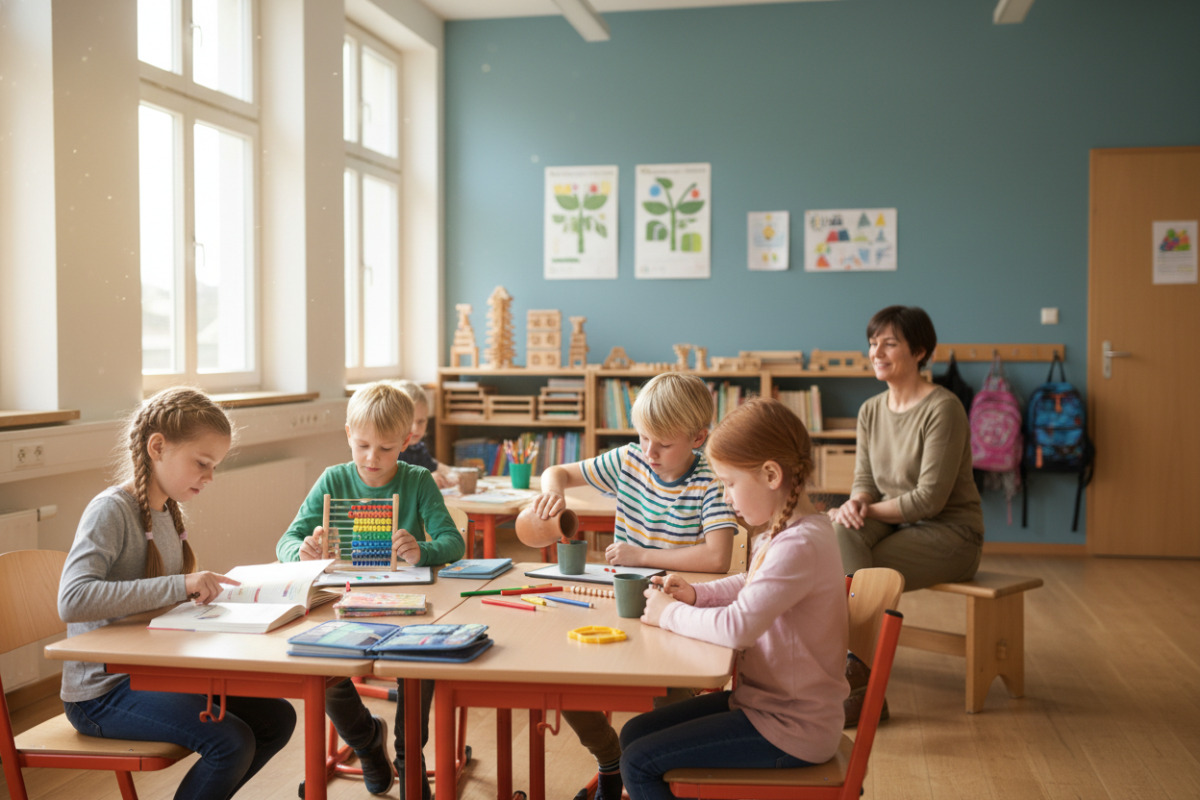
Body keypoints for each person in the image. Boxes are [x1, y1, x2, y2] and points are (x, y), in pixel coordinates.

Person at [57, 387, 296, 800]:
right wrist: (181, 585)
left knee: (277, 717)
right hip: (101, 693)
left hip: (152, 671)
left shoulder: (166, 512)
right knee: (231, 741)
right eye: (202, 463)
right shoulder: (111, 510)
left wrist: (202, 600)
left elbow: (154, 602)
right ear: (158, 447)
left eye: (215, 466)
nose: (210, 476)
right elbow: (73, 598)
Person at [619, 398, 848, 800]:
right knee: (635, 733)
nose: (726, 497)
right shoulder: (791, 530)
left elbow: (738, 628)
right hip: (767, 707)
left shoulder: (799, 544)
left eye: (730, 483)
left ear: (771, 475)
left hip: (790, 729)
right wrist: (695, 594)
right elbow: (750, 582)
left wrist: (670, 613)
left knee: (638, 762)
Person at [530, 372, 738, 800]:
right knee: (563, 675)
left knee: (671, 698)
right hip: (620, 601)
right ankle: (609, 758)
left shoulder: (710, 479)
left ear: (698, 438)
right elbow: (556, 471)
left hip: (678, 612)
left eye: (663, 443)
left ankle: (660, 777)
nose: (650, 452)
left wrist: (641, 555)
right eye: (643, 437)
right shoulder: (629, 461)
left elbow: (717, 557)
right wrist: (553, 496)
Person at [277, 380, 465, 798]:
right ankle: (365, 742)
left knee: (421, 664)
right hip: (344, 602)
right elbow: (286, 541)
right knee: (320, 664)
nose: (371, 458)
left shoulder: (417, 481)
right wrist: (302, 551)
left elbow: (454, 543)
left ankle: (407, 756)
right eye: (362, 445)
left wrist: (422, 551)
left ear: (407, 440)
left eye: (385, 448)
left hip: (410, 604)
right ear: (348, 434)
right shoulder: (333, 479)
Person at [828, 305, 983, 724]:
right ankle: (858, 677)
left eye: (889, 343)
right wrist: (856, 502)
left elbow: (929, 500)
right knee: (839, 531)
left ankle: (856, 679)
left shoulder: (943, 408)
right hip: (895, 523)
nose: (877, 351)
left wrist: (864, 508)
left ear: (920, 351)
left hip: (950, 533)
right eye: (873, 343)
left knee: (854, 570)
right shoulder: (870, 410)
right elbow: (864, 478)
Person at [394, 379, 458, 489]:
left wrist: (451, 474)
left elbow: (435, 466)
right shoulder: (391, 451)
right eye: (409, 422)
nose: (415, 428)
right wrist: (426, 480)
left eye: (421, 421)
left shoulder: (418, 448)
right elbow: (396, 484)